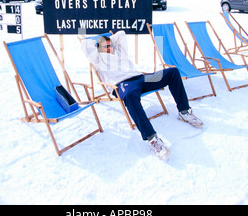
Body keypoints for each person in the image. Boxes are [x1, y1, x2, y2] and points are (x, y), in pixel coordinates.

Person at [81, 31, 203, 160]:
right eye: (106, 46)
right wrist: (99, 43)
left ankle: (184, 112)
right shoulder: (97, 58)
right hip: (123, 84)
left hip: (141, 78)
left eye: (111, 45)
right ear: (98, 48)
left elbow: (121, 34)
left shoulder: (120, 52)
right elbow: (85, 43)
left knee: (172, 72)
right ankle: (152, 138)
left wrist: (109, 40)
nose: (109, 47)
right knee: (130, 96)